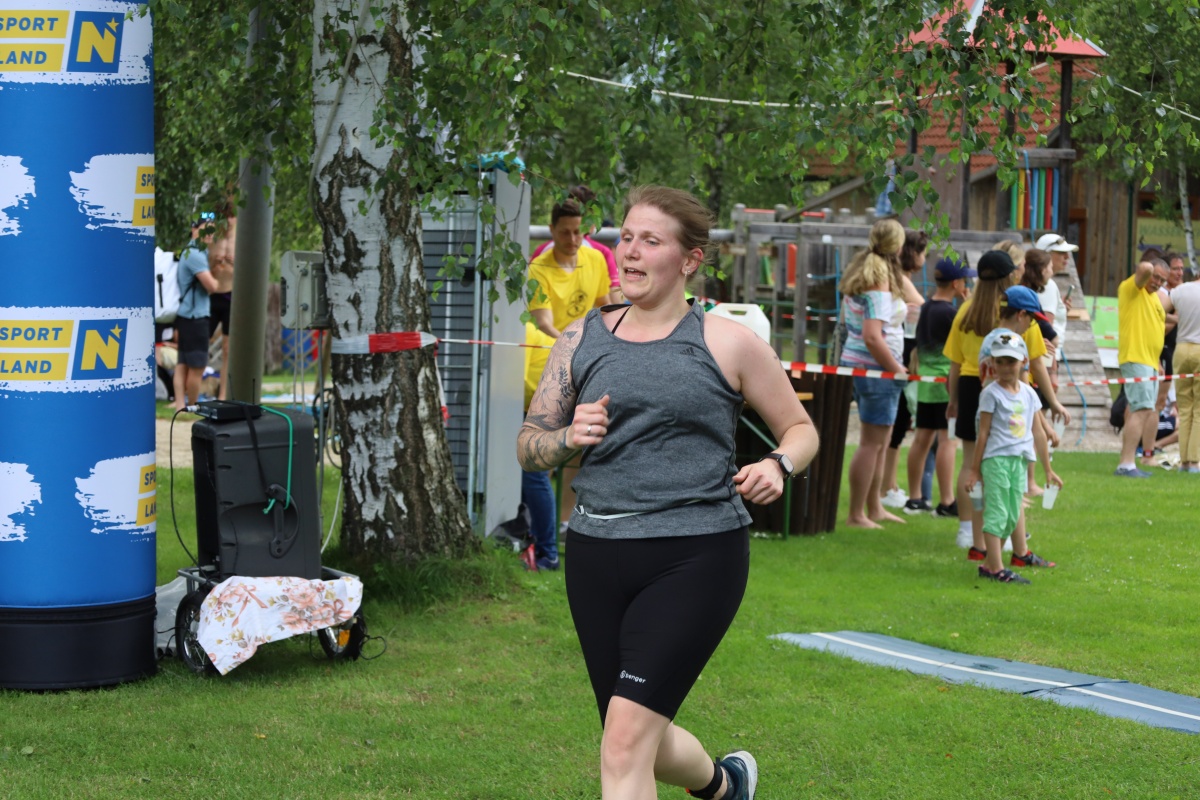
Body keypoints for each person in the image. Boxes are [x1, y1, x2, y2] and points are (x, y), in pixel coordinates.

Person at [517, 185, 818, 800]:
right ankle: (724, 785)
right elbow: (528, 445)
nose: (630, 251)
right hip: (596, 553)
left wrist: (778, 464)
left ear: (689, 260)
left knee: (623, 744)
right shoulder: (580, 338)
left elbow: (801, 429)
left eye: (650, 240)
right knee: (631, 735)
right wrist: (567, 436)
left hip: (696, 554)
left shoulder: (727, 341)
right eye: (626, 237)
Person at [944, 249, 1069, 555]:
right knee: (1008, 468)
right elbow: (1035, 364)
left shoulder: (966, 310)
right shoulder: (1017, 316)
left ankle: (970, 533)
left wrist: (953, 399)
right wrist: (1051, 405)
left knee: (972, 465)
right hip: (1007, 395)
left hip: (972, 389)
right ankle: (1009, 540)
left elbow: (955, 364)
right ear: (1010, 275)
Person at [521, 196, 614, 571]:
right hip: (546, 370)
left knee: (585, 454)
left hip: (588, 367)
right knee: (538, 463)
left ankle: (564, 535)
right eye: (565, 233)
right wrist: (574, 347)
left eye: (578, 232)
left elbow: (605, 307)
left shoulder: (595, 258)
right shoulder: (537, 267)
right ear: (551, 231)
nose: (573, 240)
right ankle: (545, 547)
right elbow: (543, 321)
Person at [962, 332, 1061, 584]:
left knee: (1011, 516)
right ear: (992, 363)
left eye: (1011, 361)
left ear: (1023, 362)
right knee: (997, 512)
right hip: (996, 461)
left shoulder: (1029, 393)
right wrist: (974, 470)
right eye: (1000, 361)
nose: (1005, 367)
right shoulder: (990, 394)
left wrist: (1048, 470)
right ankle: (995, 568)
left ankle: (989, 565)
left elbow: (1038, 433)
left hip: (1019, 461)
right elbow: (983, 434)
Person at [838, 219, 909, 528]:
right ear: (898, 245)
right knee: (871, 443)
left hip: (865, 366)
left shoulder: (864, 269)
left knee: (880, 442)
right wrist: (897, 368)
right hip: (876, 369)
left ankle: (874, 507)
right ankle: (857, 514)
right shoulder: (879, 281)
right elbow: (871, 336)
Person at [903, 256, 974, 516]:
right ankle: (946, 501)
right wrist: (969, 305)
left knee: (922, 439)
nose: (966, 284)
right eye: (964, 280)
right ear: (956, 284)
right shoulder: (951, 313)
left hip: (925, 384)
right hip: (944, 385)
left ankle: (915, 498)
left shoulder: (927, 308)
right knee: (948, 441)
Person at [880, 229, 927, 509]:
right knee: (896, 421)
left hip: (903, 352)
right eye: (923, 252)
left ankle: (891, 484)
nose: (925, 258)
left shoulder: (901, 278)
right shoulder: (901, 279)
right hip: (902, 354)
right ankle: (887, 486)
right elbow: (925, 308)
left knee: (899, 422)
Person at [1115, 259, 1171, 477]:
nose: (1157, 282)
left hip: (1149, 362)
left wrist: (1156, 361)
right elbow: (1145, 268)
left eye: (1162, 280)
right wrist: (1149, 270)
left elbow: (1151, 330)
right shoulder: (1132, 288)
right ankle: (1126, 464)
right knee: (1142, 409)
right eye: (1156, 277)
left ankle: (1128, 461)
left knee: (1141, 409)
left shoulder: (1154, 298)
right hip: (1136, 359)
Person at [532, 184, 622, 303]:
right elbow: (616, 304)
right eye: (594, 215)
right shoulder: (602, 253)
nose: (596, 221)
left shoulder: (541, 251)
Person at [173, 215, 228, 410]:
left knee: (182, 365)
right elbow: (211, 286)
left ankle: (181, 405)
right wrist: (223, 278)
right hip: (195, 318)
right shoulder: (195, 254)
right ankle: (192, 406)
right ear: (194, 229)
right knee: (197, 368)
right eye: (206, 228)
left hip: (186, 316)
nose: (210, 233)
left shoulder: (191, 252)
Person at [1169, 268, 1200, 471]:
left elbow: (1159, 309)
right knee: (1199, 409)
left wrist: (1177, 320)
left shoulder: (1181, 290)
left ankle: (1184, 461)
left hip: (1180, 349)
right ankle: (1195, 461)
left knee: (1185, 407)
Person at [207, 213, 237, 401]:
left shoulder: (241, 239)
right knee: (200, 344)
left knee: (227, 348)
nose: (228, 221)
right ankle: (192, 389)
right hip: (212, 295)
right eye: (225, 216)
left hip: (231, 296)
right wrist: (214, 264)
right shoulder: (212, 239)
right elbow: (201, 267)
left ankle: (223, 394)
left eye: (231, 216)